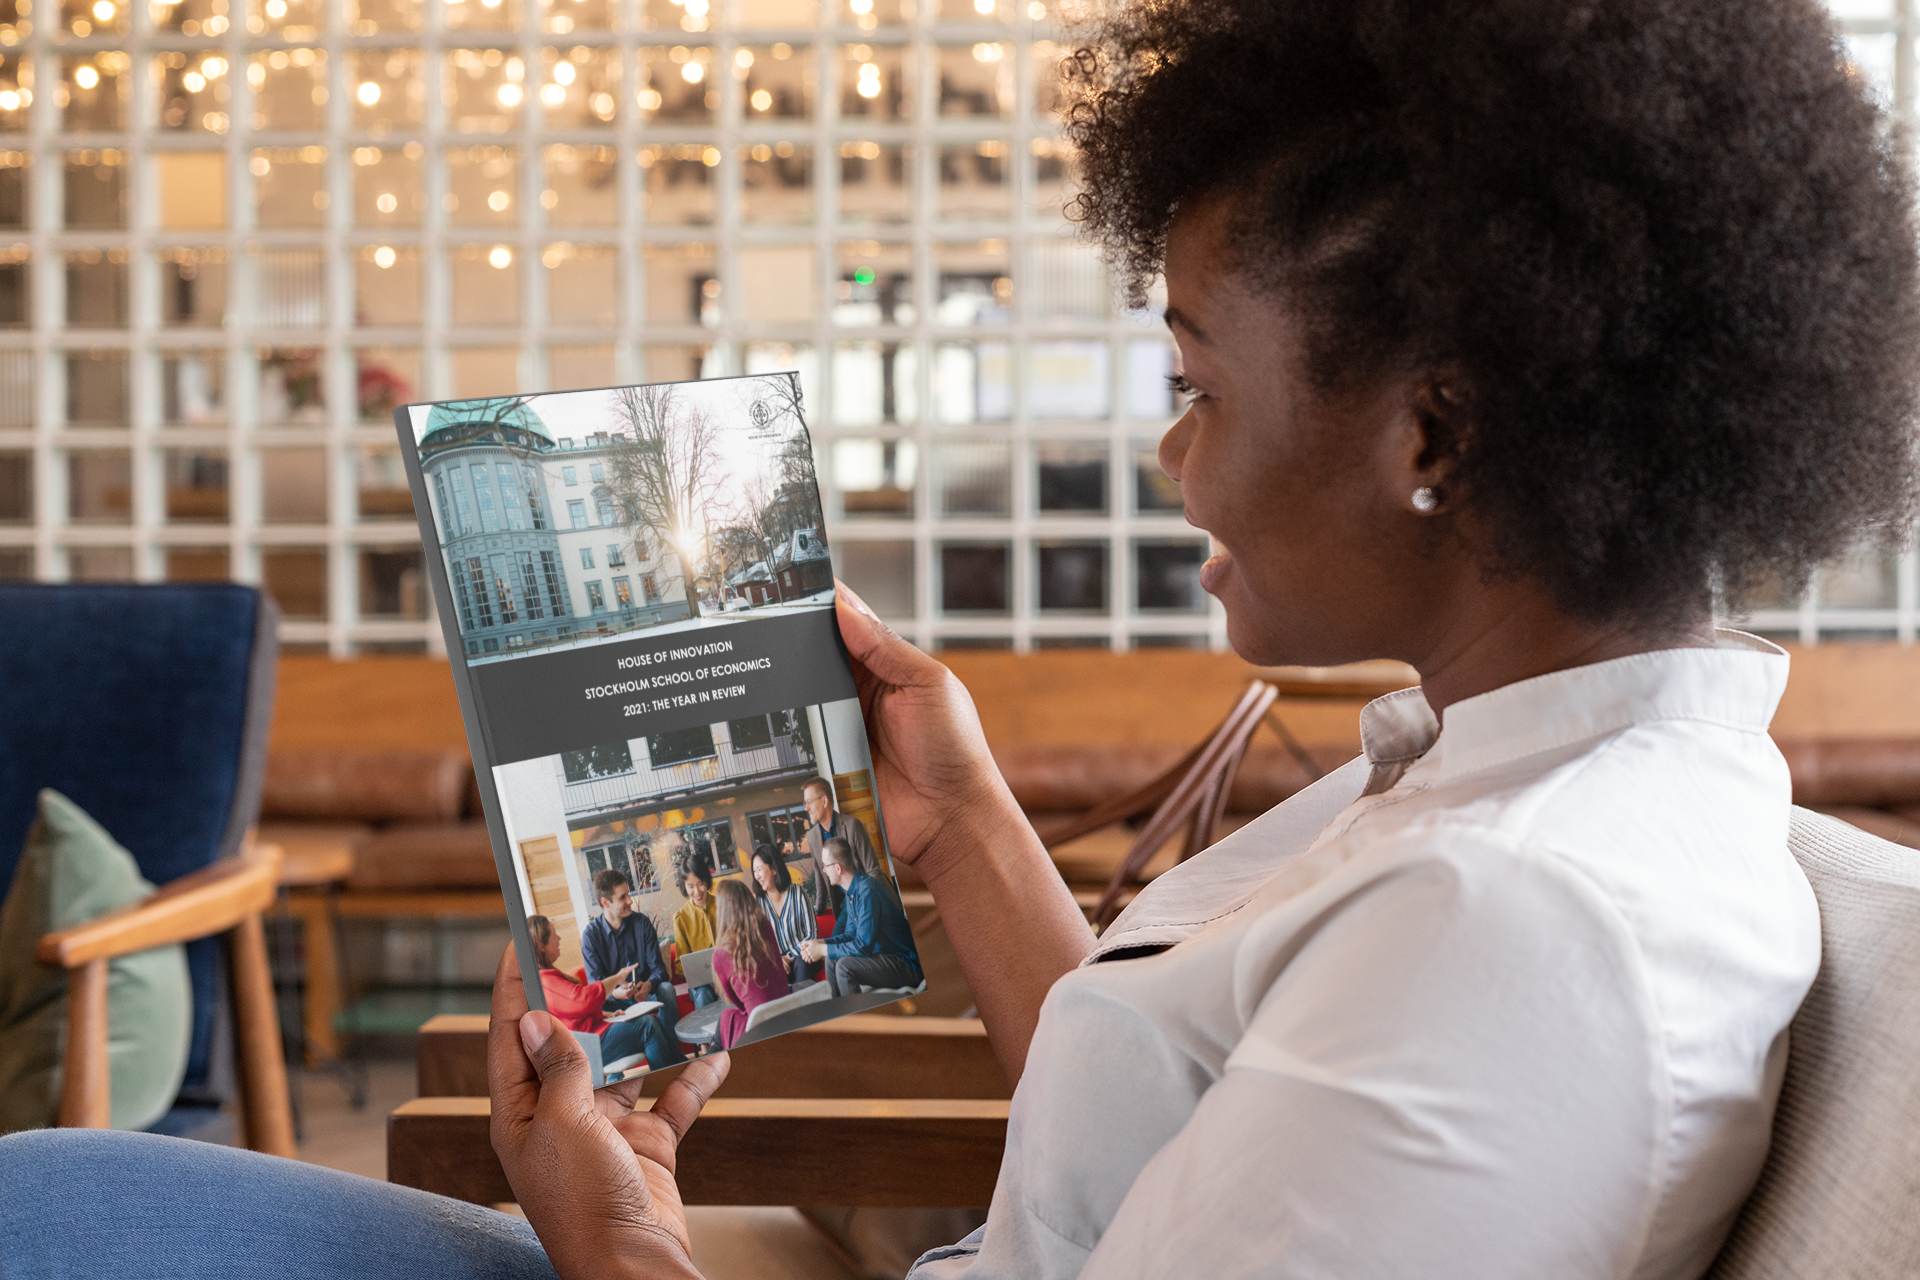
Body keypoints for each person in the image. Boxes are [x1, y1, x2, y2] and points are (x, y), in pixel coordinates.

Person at [4, 2, 1917, 1277]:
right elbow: (1180, 1115)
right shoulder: (1526, 787)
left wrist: (627, 1233)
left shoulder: (1521, 933)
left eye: (1195, 384)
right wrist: (969, 834)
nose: (1174, 466)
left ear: (1432, 430)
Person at [525, 915, 685, 1074]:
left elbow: (578, 1012)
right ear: (542, 946)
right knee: (648, 1026)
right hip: (589, 1046)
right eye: (554, 934)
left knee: (651, 1021)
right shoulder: (545, 981)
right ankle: (672, 1074)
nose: (559, 938)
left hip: (595, 1035)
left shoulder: (548, 976)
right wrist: (617, 978)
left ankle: (677, 1067)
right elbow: (584, 1000)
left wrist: (609, 1014)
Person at [799, 837, 922, 998]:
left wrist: (822, 950)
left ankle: (858, 1018)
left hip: (906, 964)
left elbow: (863, 946)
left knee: (844, 966)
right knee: (831, 959)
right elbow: (850, 935)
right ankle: (841, 1013)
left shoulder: (867, 891)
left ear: (837, 868)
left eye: (825, 865)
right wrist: (821, 943)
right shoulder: (851, 892)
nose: (823, 870)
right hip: (885, 957)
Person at [577, 868, 680, 1048]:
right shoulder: (591, 936)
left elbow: (659, 970)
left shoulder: (642, 923)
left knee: (667, 989)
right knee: (601, 1007)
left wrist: (648, 985)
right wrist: (616, 993)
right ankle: (616, 1075)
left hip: (646, 994)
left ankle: (672, 1051)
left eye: (628, 895)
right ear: (605, 902)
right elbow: (596, 986)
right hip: (614, 1003)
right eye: (622, 897)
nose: (630, 901)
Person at [710, 879, 792, 1049]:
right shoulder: (766, 928)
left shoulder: (721, 955)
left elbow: (738, 1003)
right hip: (786, 1017)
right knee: (728, 1018)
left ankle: (712, 1070)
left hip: (760, 1031)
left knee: (726, 1017)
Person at [751, 842, 817, 984]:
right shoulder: (755, 903)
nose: (757, 876)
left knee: (802, 961)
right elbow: (754, 943)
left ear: (773, 868)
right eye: (754, 871)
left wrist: (789, 956)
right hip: (775, 963)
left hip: (803, 956)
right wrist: (777, 960)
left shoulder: (797, 893)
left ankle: (809, 1006)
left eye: (759, 869)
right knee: (774, 974)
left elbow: (812, 934)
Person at [670, 865, 720, 1008]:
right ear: (684, 886)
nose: (697, 891)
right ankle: (704, 1031)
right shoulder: (681, 917)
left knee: (727, 991)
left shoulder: (723, 904)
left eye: (701, 884)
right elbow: (680, 964)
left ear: (707, 882)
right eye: (690, 886)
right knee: (703, 993)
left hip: (726, 975)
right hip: (701, 984)